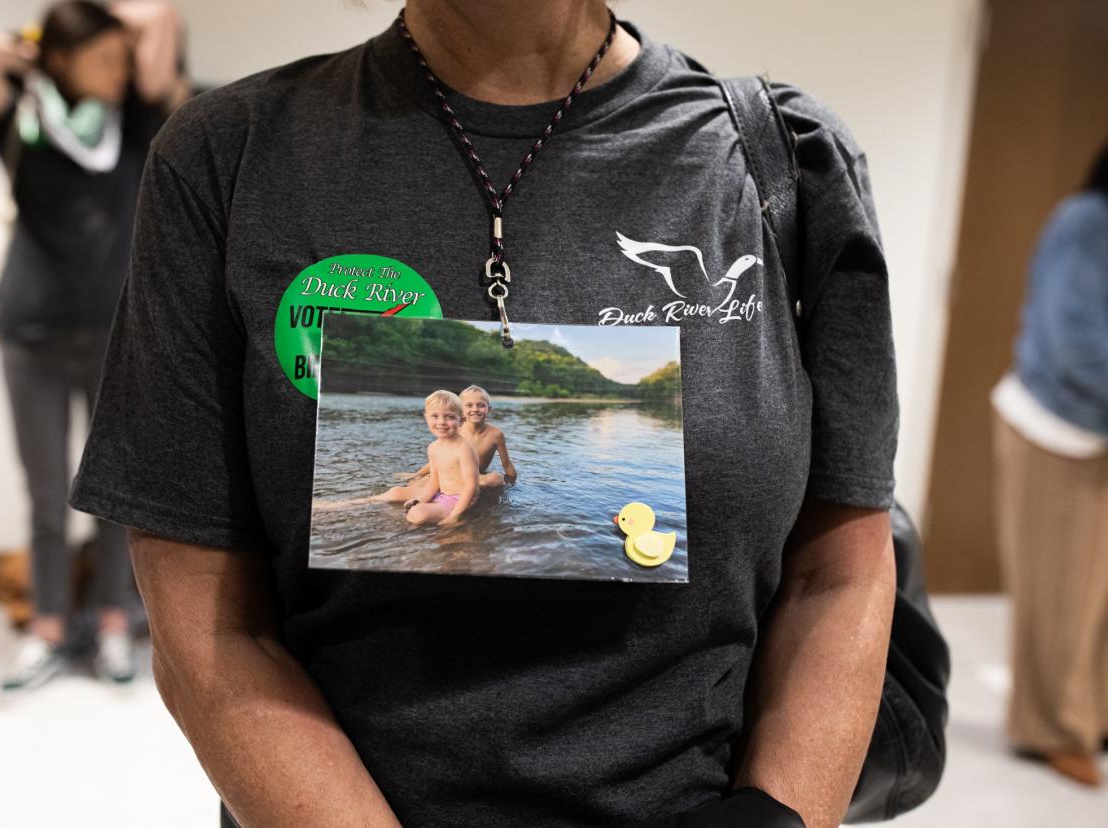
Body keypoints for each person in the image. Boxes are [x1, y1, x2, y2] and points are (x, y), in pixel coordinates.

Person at [69, 1, 898, 825]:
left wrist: (775, 816)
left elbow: (841, 571)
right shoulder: (229, 156)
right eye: (452, 403)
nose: (460, 408)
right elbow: (209, 628)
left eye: (467, 401)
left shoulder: (785, 163)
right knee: (387, 502)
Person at [0, 0, 190, 691]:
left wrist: (109, 26)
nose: (120, 69)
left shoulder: (135, 122)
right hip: (29, 330)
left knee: (114, 494)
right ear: (62, 60)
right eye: (103, 58)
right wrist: (39, 49)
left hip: (116, 332)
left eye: (122, 57)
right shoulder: (20, 121)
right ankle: (49, 629)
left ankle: (115, 622)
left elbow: (162, 17)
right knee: (45, 492)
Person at [989, 139, 1108, 788]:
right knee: (1060, 594)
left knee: (1097, 595)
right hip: (1057, 427)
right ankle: (1052, 729)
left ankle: (1091, 713)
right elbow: (1078, 345)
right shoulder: (1086, 222)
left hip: (1099, 428)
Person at [377, 383, 516, 502]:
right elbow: (439, 458)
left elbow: (506, 464)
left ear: (489, 409)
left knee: (495, 479)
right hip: (450, 473)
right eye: (469, 405)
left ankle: (453, 490)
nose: (475, 409)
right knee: (415, 483)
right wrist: (417, 473)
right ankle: (417, 494)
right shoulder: (456, 430)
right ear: (461, 411)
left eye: (481, 405)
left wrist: (513, 484)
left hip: (475, 476)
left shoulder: (495, 434)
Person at [401, 390, 481, 526]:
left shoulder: (464, 448)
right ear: (426, 418)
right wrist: (419, 500)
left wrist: (455, 515)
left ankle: (459, 521)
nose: (441, 422)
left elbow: (470, 486)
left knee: (417, 514)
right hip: (443, 496)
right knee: (409, 506)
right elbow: (434, 482)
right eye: (435, 416)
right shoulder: (433, 447)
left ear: (461, 420)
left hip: (461, 499)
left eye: (449, 417)